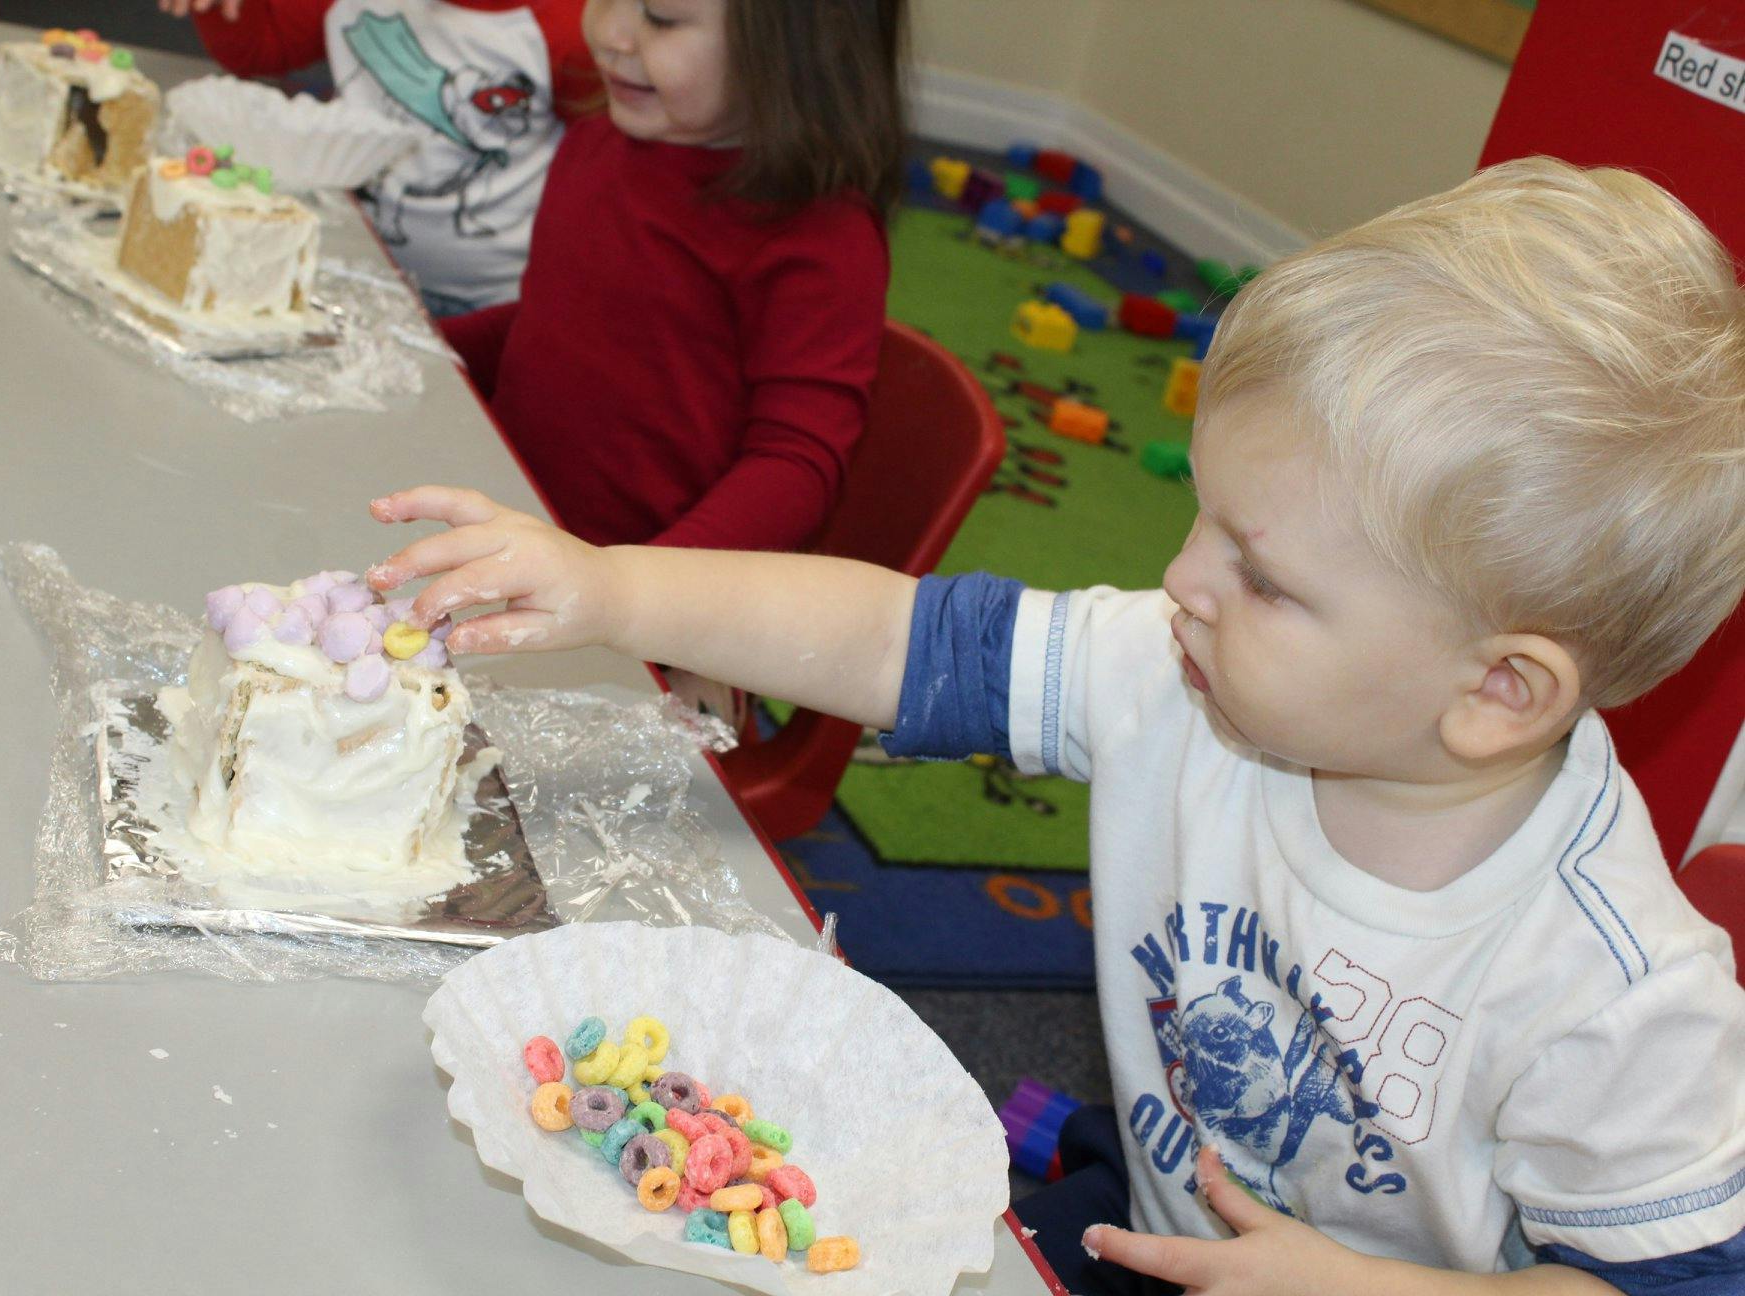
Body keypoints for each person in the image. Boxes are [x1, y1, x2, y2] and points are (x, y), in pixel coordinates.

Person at [364, 158, 1745, 1293]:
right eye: (1206, 515)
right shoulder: (1184, 669)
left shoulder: (1613, 994)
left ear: (1499, 693)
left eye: (1263, 576)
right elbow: (899, 640)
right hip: (1159, 1235)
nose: (1185, 582)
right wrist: (616, 584)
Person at [436, 0, 905, 553]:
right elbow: (562, 318)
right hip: (507, 510)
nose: (609, 33)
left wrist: (627, 588)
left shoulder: (821, 238)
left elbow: (795, 466)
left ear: (795, 49)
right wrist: (427, 345)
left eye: (661, 17)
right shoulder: (596, 142)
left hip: (635, 587)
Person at [161, 0, 597, 316]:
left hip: (492, 300)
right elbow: (262, 48)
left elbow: (599, 153)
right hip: (345, 266)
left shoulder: (573, 23)